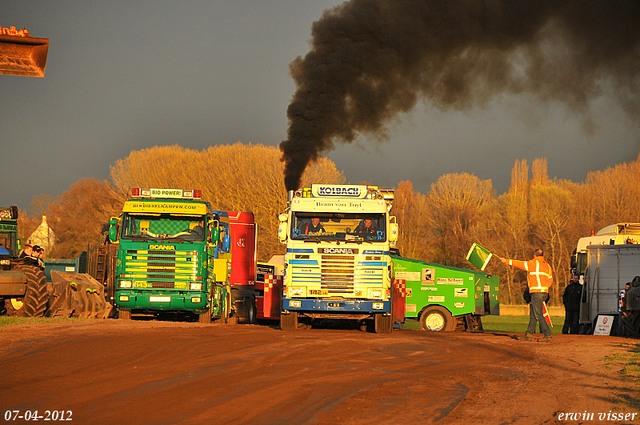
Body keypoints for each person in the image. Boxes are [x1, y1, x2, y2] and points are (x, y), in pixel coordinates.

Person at [500, 249, 554, 342]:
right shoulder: (548, 266)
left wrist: (506, 261)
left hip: (536, 292)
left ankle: (548, 335)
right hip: (545, 292)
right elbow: (550, 280)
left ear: (534, 255)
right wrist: (544, 288)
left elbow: (520, 264)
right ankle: (528, 334)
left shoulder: (533, 263)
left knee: (538, 315)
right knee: (533, 314)